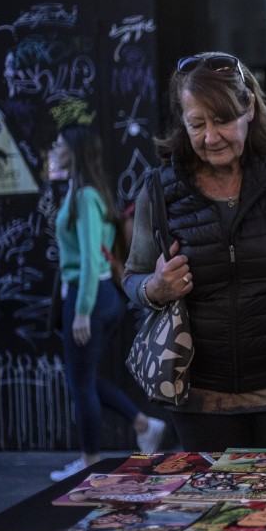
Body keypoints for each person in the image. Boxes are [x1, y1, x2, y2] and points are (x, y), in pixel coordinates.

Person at [122, 51, 266, 451]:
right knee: (217, 510)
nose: (210, 137)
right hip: (200, 394)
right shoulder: (158, 190)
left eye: (222, 120)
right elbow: (133, 278)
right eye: (196, 124)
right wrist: (156, 288)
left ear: (249, 107)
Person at [49, 124, 165, 482]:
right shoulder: (84, 192)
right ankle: (144, 423)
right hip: (100, 297)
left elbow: (87, 260)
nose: (53, 147)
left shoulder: (84, 197)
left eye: (58, 142)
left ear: (74, 149)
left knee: (80, 383)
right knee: (83, 377)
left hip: (90, 298)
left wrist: (81, 311)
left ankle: (89, 460)